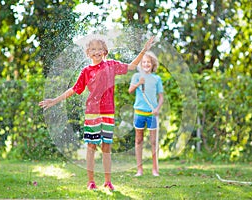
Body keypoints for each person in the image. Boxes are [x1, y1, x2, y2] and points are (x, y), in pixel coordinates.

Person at [39, 36, 155, 190]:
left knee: (106, 147)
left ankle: (108, 181)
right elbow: (74, 89)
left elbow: (132, 67)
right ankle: (91, 182)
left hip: (108, 113)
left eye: (99, 48)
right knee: (92, 146)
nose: (96, 52)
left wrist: (144, 50)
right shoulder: (86, 71)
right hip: (92, 114)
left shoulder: (112, 65)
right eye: (92, 49)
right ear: (88, 53)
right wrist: (54, 100)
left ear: (104, 51)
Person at [128, 51, 164, 177]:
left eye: (148, 62)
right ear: (141, 64)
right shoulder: (136, 77)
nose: (146, 64)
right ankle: (140, 170)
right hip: (139, 113)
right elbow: (130, 90)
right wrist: (139, 83)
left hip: (152, 114)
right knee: (138, 140)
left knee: (153, 141)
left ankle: (155, 170)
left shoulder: (157, 78)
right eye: (143, 62)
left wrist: (157, 109)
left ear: (152, 63)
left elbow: (161, 98)